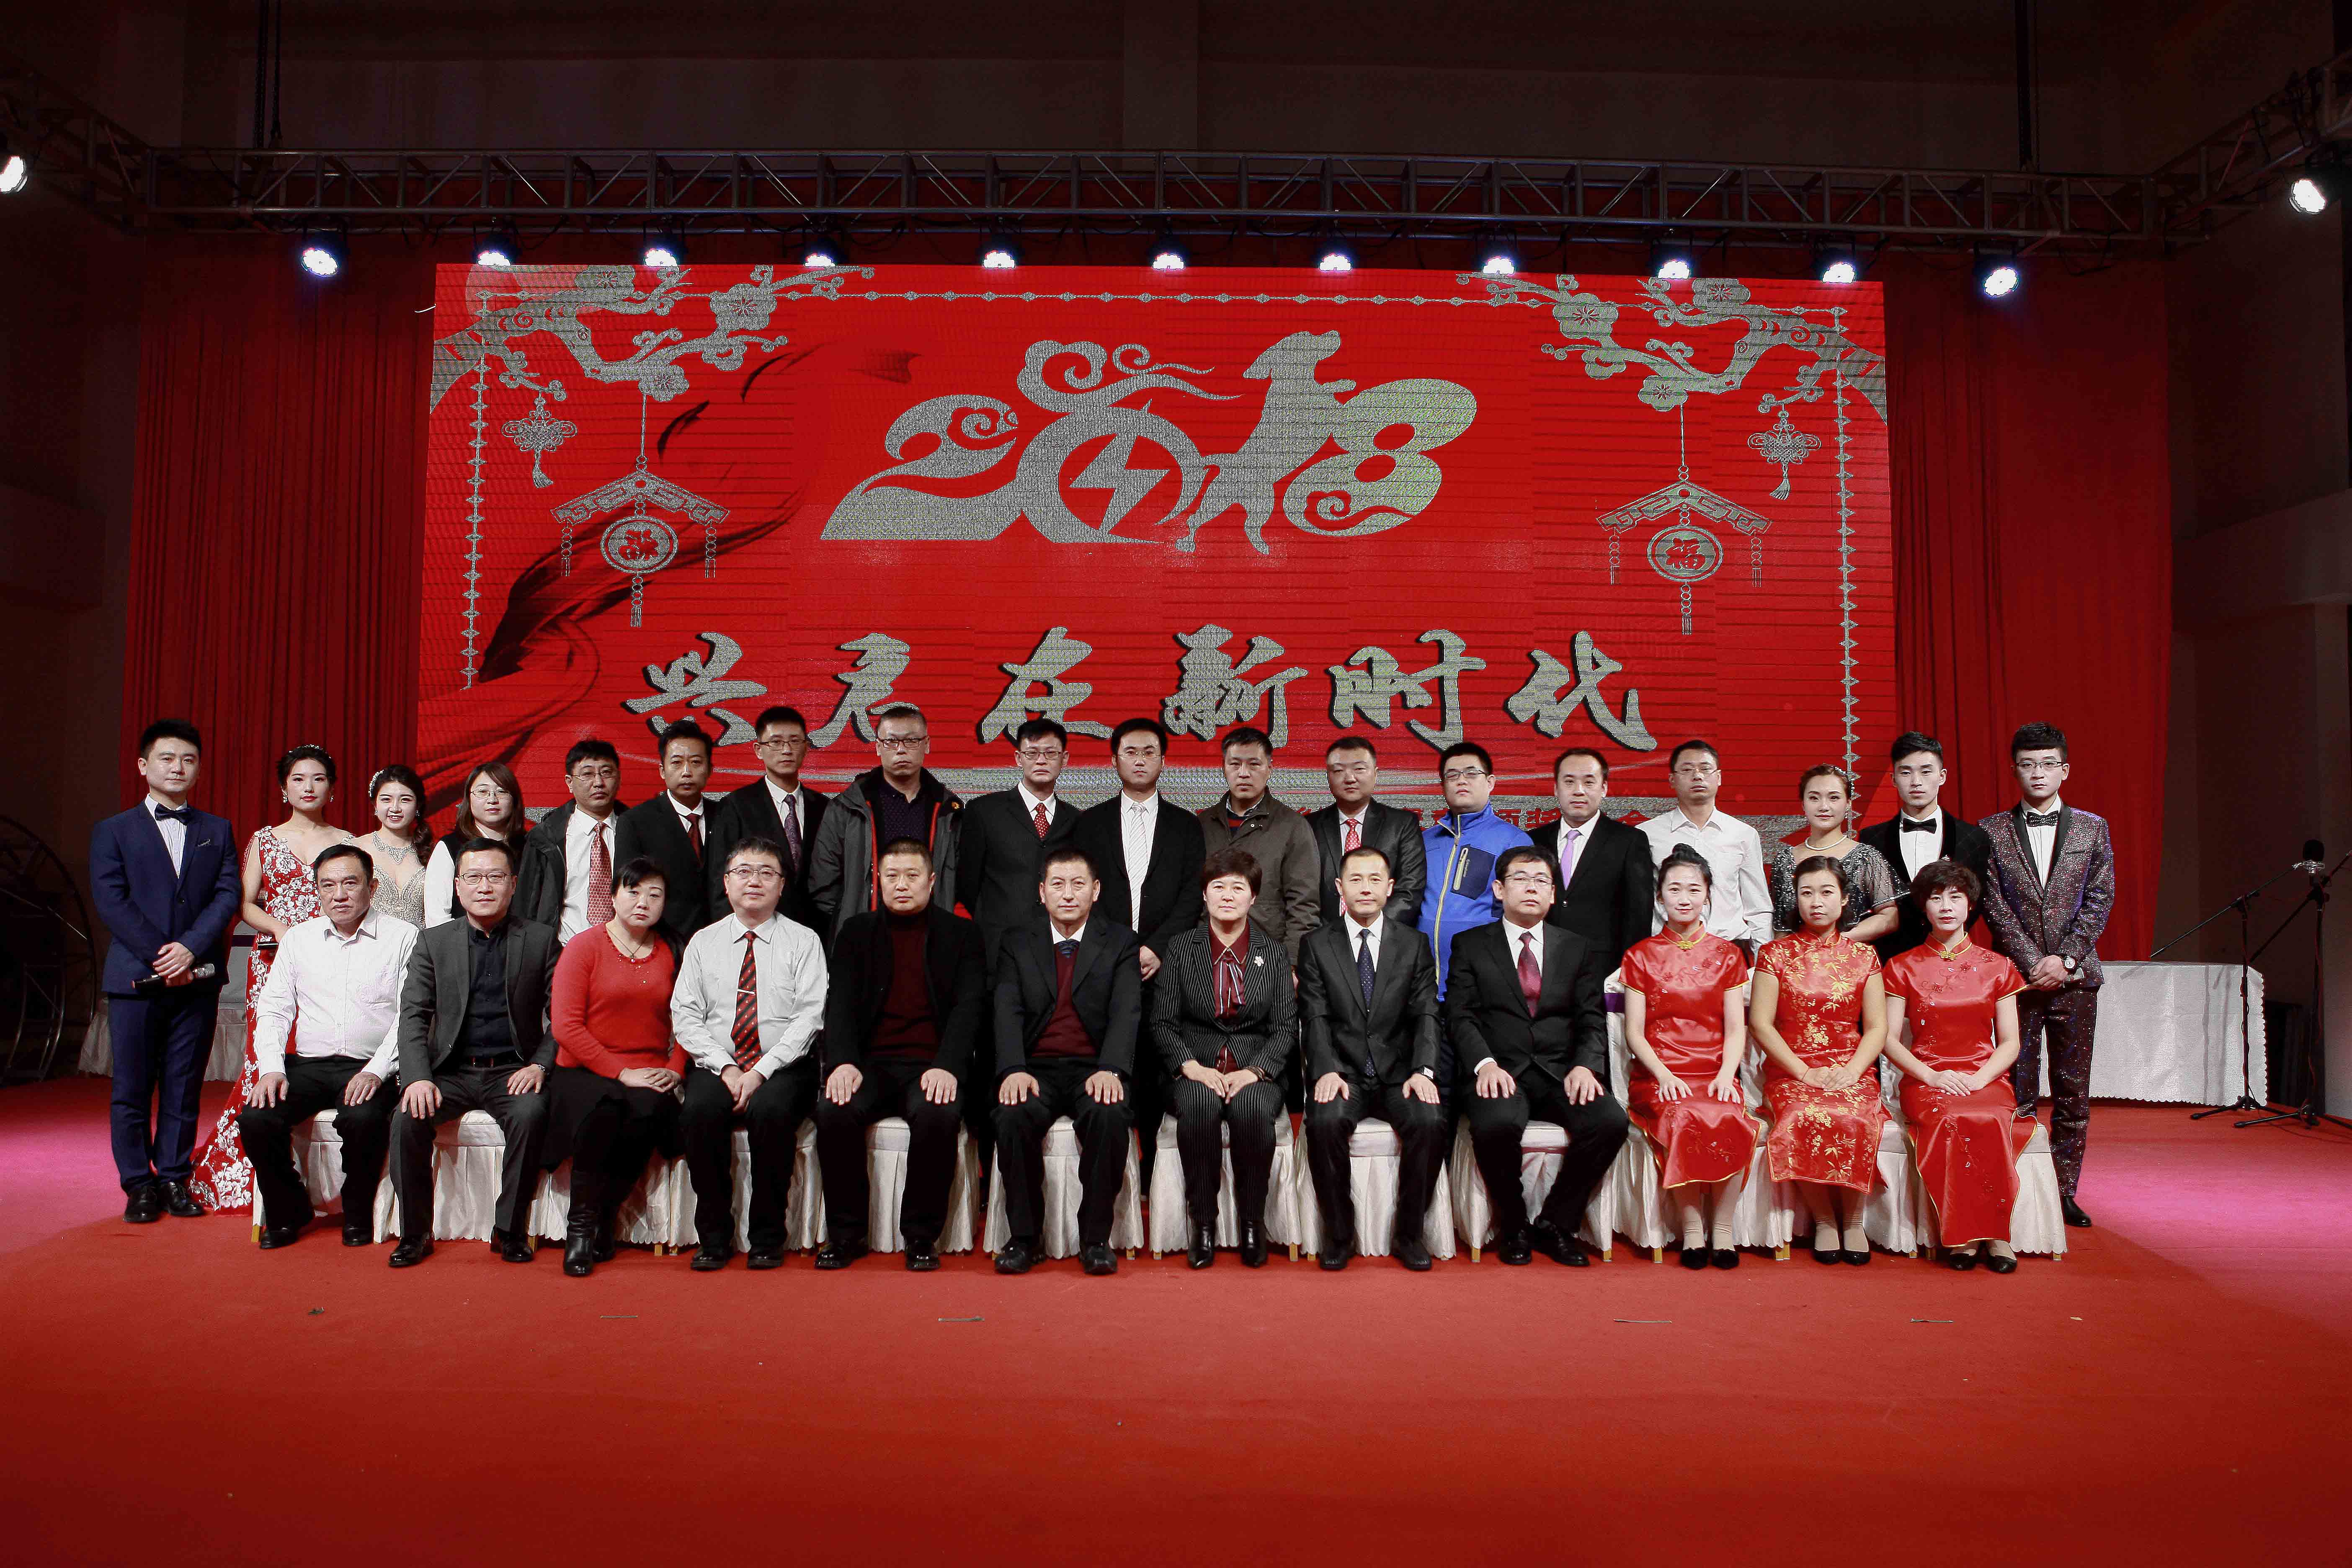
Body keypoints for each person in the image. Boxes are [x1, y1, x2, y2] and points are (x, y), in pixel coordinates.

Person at [191, 744, 356, 1212]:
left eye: (318, 779)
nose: (309, 787)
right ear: (284, 789)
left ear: (332, 788)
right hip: (274, 959)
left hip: (332, 960)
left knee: (321, 1052)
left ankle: (317, 1166)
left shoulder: (348, 841)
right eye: (298, 779)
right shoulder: (265, 839)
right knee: (265, 1057)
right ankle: (251, 1162)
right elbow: (245, 904)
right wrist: (283, 930)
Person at [1447, 844, 1627, 1266]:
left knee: (1609, 1121)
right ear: (1499, 889)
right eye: (1521, 879)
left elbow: (1591, 1018)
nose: (1532, 888)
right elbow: (1460, 1015)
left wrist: (1586, 1065)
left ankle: (1556, 1223)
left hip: (1561, 1071)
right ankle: (1513, 1225)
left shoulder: (1577, 948)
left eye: (1541, 880)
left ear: (1552, 894)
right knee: (1495, 1124)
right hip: (1499, 1070)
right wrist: (1485, 1064)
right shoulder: (1471, 945)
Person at [90, 720, 239, 1222]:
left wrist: (190, 950)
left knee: (184, 1084)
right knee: (131, 1088)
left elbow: (227, 896)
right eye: (167, 758)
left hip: (197, 978)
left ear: (199, 769)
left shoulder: (217, 829)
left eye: (188, 760)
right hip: (136, 977)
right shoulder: (113, 830)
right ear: (143, 766)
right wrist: (164, 954)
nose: (178, 768)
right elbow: (112, 901)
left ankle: (175, 1177)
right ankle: (138, 1185)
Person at [387, 838, 561, 1267]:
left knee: (531, 1114)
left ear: (513, 884)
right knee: (406, 1119)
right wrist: (417, 1077)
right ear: (458, 887)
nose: (485, 887)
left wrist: (540, 1064)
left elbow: (564, 1015)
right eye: (474, 877)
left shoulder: (540, 940)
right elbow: (413, 1016)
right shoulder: (434, 942)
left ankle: (510, 1230)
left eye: (496, 877)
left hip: (512, 1070)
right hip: (450, 1072)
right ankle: (415, 1234)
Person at [815, 838, 986, 1271]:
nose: (902, 885)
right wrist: (842, 1062)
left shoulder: (962, 935)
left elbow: (970, 1007)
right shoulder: (856, 932)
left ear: (932, 881)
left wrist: (948, 1065)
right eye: (892, 876)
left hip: (931, 1065)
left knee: (938, 1114)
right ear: (878, 880)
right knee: (834, 1110)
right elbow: (840, 1005)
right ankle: (847, 1235)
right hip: (870, 1066)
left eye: (912, 876)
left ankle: (921, 1237)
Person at [237, 843, 410, 1248]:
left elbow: (411, 1016)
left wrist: (376, 1071)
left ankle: (357, 1210)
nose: (339, 895)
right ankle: (289, 1209)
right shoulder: (299, 939)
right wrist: (271, 1069)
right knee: (256, 1119)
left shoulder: (403, 937)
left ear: (372, 887)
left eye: (350, 883)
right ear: (317, 890)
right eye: (328, 885)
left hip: (372, 1065)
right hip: (310, 1065)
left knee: (363, 1118)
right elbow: (274, 1010)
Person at [1977, 721, 2112, 1228]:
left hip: (2077, 980)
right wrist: (2034, 962)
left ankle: (2063, 1193)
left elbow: (2100, 898)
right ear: (2015, 770)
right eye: (2028, 764)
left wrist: (2067, 961)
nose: (2038, 773)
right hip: (2017, 980)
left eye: (2048, 764)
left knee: (2073, 1091)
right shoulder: (1990, 831)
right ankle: (2018, 1189)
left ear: (2065, 770)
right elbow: (1993, 904)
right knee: (2018, 1089)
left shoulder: (2092, 828)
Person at [672, 836, 828, 1270]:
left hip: (784, 1066)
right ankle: (714, 1238)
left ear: (782, 886)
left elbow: (809, 1018)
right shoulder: (703, 942)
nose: (754, 881)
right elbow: (685, 1015)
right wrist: (726, 1067)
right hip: (717, 1063)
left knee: (771, 1112)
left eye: (766, 873)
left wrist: (760, 1072)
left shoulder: (804, 941)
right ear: (726, 883)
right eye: (743, 872)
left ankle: (767, 1237)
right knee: (699, 1112)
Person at [991, 846, 1142, 1277]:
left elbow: (1127, 1010)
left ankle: (1095, 1240)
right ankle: (1025, 1239)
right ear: (1042, 892)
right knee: (1012, 1114)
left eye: (1079, 885)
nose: (1068, 894)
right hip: (1034, 1068)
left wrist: (1111, 1068)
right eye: (1058, 885)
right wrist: (1013, 1069)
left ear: (1096, 890)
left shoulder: (1120, 942)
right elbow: (1006, 1008)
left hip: (1094, 1067)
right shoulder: (1018, 941)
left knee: (1109, 1114)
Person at [1298, 844, 1446, 1271]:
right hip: (1344, 1072)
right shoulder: (1316, 944)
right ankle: (1339, 1235)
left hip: (1399, 1074)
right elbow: (1314, 1014)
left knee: (1430, 1121)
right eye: (1356, 880)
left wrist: (1423, 1070)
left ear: (1390, 887)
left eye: (1375, 879)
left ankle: (1409, 1235)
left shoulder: (1414, 944)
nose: (1366, 888)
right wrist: (1325, 1070)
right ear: (1339, 887)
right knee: (1324, 1121)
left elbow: (1426, 1013)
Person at [1073, 717, 1205, 1188]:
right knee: (1107, 1064)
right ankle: (1109, 1173)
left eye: (1150, 752)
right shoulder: (1089, 824)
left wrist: (1156, 949)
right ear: (1114, 760)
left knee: (1154, 1069)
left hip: (1164, 968)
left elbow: (1192, 896)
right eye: (1131, 752)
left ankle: (1151, 1172)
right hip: (1104, 964)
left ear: (1163, 760)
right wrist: (1120, 950)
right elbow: (1085, 894)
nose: (1140, 760)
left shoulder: (1187, 826)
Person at [1881, 860, 2032, 1272]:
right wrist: (1932, 1075)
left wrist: (1980, 1079)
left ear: (1970, 905)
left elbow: (2011, 1041)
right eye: (1936, 898)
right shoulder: (1901, 966)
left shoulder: (1999, 966)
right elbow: (1888, 1039)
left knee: (1988, 1117)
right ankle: (1964, 1236)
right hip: (1927, 1078)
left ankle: (1997, 1235)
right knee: (1952, 1118)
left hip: (1985, 1077)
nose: (1946, 906)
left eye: (1955, 897)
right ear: (1924, 907)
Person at [1152, 849, 1296, 1269]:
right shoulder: (1182, 948)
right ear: (1204, 895)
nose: (1227, 896)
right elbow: (1162, 1022)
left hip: (1255, 1070)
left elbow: (1285, 1028)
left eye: (1238, 887)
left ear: (1254, 897)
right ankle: (1203, 1224)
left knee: (1252, 1108)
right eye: (1218, 887)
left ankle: (1252, 1223)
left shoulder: (1273, 953)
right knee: (1198, 1104)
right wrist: (1191, 1067)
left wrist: (1255, 1071)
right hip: (1194, 1067)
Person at [542, 856, 685, 1277]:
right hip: (584, 1068)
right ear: (613, 895)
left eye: (654, 895)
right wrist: (621, 1072)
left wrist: (676, 1068)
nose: (643, 902)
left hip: (648, 1068)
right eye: (633, 892)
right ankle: (581, 1231)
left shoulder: (673, 950)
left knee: (648, 1111)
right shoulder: (584, 947)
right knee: (604, 1112)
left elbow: (691, 1019)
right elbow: (565, 1026)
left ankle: (605, 1215)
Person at [1619, 847, 1756, 1269]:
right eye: (1674, 889)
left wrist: (1727, 1075)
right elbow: (1634, 1032)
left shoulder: (1729, 955)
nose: (1684, 898)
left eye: (1694, 890)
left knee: (1731, 1115)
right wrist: (1663, 1075)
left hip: (1715, 1070)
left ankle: (1724, 1229)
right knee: (1682, 1116)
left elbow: (1735, 1029)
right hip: (1660, 1073)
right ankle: (1693, 1229)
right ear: (1659, 896)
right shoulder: (1640, 955)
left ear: (1708, 895)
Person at [1749, 856, 1889, 1264]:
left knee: (1856, 1115)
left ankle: (1854, 1221)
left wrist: (1852, 1071)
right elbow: (1761, 1024)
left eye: (1827, 892)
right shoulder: (1774, 954)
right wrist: (1804, 1071)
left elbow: (1877, 1028)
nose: (1816, 902)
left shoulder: (1864, 956)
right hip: (1793, 1070)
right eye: (1806, 893)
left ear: (1844, 899)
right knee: (1801, 1114)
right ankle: (1825, 1219)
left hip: (1850, 1067)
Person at [810, 703, 963, 937]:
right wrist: (853, 919)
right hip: (865, 936)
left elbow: (960, 881)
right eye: (891, 741)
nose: (901, 750)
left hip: (932, 937)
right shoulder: (847, 808)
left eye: (911, 741)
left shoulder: (949, 810)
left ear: (927, 744)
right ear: (878, 747)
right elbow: (823, 883)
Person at [1857, 731, 1994, 963]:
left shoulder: (1974, 838)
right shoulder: (1872, 839)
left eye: (1926, 771)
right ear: (1893, 779)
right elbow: (1868, 904)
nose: (1916, 782)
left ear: (1942, 776)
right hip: (1888, 961)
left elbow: (1978, 900)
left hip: (1953, 959)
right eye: (1906, 772)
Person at [957, 717, 1080, 969]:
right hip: (997, 947)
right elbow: (967, 882)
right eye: (1032, 753)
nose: (1041, 761)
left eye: (1051, 753)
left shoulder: (1076, 819)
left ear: (1065, 759)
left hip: (1057, 949)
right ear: (1018, 758)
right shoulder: (984, 811)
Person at [1196, 725, 1321, 962]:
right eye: (1235, 764)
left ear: (1270, 769)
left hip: (1267, 954)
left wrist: (1292, 963)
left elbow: (1304, 904)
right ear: (1223, 768)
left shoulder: (1292, 826)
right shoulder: (1203, 824)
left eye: (1254, 764)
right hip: (1207, 952)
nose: (1244, 773)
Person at [1419, 740, 1533, 1000]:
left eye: (1472, 773)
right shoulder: (1425, 841)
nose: (1462, 780)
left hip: (1482, 984)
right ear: (1443, 785)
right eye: (1452, 775)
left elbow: (1521, 915)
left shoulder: (1513, 841)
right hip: (1423, 984)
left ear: (1490, 782)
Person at [1529, 746, 1653, 978]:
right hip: (1542, 965)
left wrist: (1627, 973)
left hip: (1603, 970)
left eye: (1589, 782)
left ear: (1604, 788)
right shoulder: (1534, 840)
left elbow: (1639, 915)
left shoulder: (1629, 841)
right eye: (1569, 782)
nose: (1579, 791)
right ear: (1556, 788)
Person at [1638, 740, 1770, 959]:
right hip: (1666, 954)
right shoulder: (1647, 834)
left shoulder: (1743, 835)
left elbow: (1758, 907)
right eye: (1687, 770)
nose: (1698, 776)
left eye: (1705, 769)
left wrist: (1761, 964)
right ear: (1672, 780)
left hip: (1728, 952)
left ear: (1719, 777)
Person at [706, 704, 830, 932]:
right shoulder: (736, 806)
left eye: (795, 741)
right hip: (755, 928)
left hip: (816, 931)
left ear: (806, 747)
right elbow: (720, 880)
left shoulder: (825, 807)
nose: (786, 750)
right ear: (758, 750)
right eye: (776, 742)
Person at [1764, 766, 1899, 942]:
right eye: (1814, 798)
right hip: (1796, 957)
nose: (1824, 807)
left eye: (1834, 798)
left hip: (1849, 954)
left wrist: (1837, 943)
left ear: (1849, 803)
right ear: (1803, 804)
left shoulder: (1867, 857)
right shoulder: (1784, 860)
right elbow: (1781, 926)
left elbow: (1889, 916)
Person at [1305, 736, 1426, 931]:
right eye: (1339, 771)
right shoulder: (1309, 826)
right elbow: (1303, 893)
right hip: (1323, 938)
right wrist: (1329, 937)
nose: (1350, 778)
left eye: (1359, 769)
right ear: (1328, 776)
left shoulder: (1402, 825)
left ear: (1376, 774)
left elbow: (1409, 892)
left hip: (1384, 938)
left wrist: (1369, 930)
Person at [614, 720, 717, 941]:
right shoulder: (635, 822)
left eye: (696, 762)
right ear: (662, 771)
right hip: (661, 941)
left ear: (710, 769)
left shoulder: (727, 816)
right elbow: (628, 889)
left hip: (721, 939)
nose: (687, 772)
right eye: (677, 763)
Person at [518, 738, 626, 940]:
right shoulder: (544, 838)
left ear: (618, 778)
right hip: (564, 948)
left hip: (626, 947)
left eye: (606, 773)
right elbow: (526, 904)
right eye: (587, 774)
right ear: (570, 782)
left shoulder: (637, 830)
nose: (598, 783)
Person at [423, 763, 527, 928]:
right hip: (463, 941)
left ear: (514, 799)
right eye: (483, 792)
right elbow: (437, 918)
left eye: (501, 792)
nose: (492, 800)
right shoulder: (450, 847)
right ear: (469, 798)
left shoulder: (530, 847)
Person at [359, 764, 433, 928]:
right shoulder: (355, 849)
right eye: (386, 799)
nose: (395, 808)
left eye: (405, 800)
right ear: (375, 805)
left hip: (421, 942)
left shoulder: (433, 852)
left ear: (418, 805)